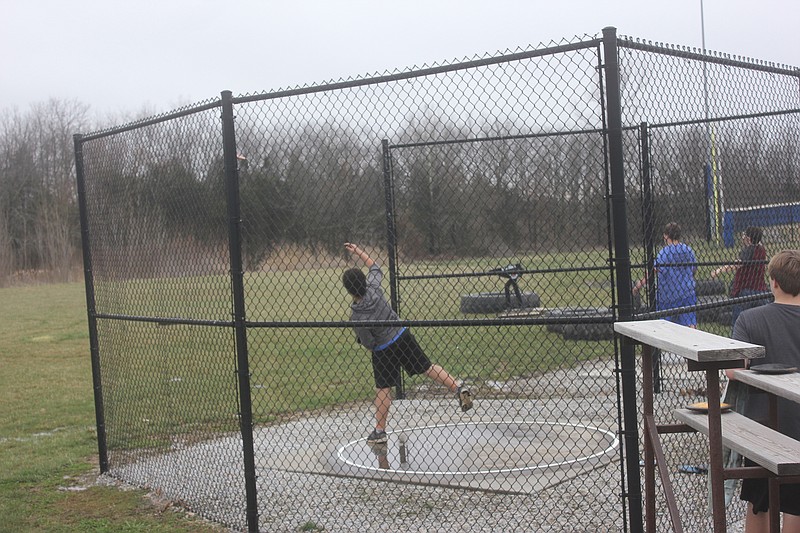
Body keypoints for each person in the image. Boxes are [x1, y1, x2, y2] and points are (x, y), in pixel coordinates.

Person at [342, 242, 473, 445]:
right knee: (427, 367)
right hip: (402, 335)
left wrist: (369, 343)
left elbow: (368, 342)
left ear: (349, 291)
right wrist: (358, 251)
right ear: (364, 282)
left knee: (384, 388)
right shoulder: (374, 289)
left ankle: (379, 431)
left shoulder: (356, 315)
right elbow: (375, 267)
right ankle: (457, 388)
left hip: (383, 350)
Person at [725, 249, 800, 533]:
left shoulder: (750, 319)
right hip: (799, 427)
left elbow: (733, 370)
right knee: (796, 504)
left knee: (760, 501)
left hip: (763, 428)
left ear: (774, 282)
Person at [633, 222, 698, 328]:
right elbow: (694, 269)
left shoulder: (665, 252)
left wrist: (638, 286)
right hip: (687, 292)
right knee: (690, 323)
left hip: (668, 296)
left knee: (665, 325)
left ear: (666, 236)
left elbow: (653, 271)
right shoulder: (688, 250)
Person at [710, 226, 769, 329]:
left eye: (745, 236)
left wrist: (719, 270)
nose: (743, 238)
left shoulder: (748, 250)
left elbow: (737, 264)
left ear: (749, 239)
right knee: (760, 323)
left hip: (745, 290)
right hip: (760, 290)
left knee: (739, 323)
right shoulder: (761, 249)